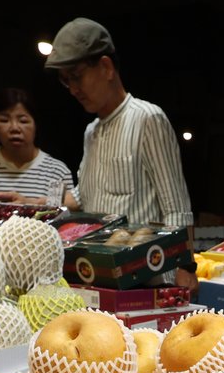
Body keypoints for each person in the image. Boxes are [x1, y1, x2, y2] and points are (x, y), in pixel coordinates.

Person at [43, 18, 197, 289]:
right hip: (96, 274)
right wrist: (31, 204)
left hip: (145, 280)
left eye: (77, 76)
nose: (73, 89)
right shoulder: (91, 131)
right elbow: (85, 194)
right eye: (66, 81)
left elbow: (177, 207)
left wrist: (186, 266)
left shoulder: (148, 118)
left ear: (106, 67)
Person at [0, 88, 76, 211]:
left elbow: (60, 219)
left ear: (36, 125)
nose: (14, 128)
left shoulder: (57, 171)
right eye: (4, 120)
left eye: (23, 121)